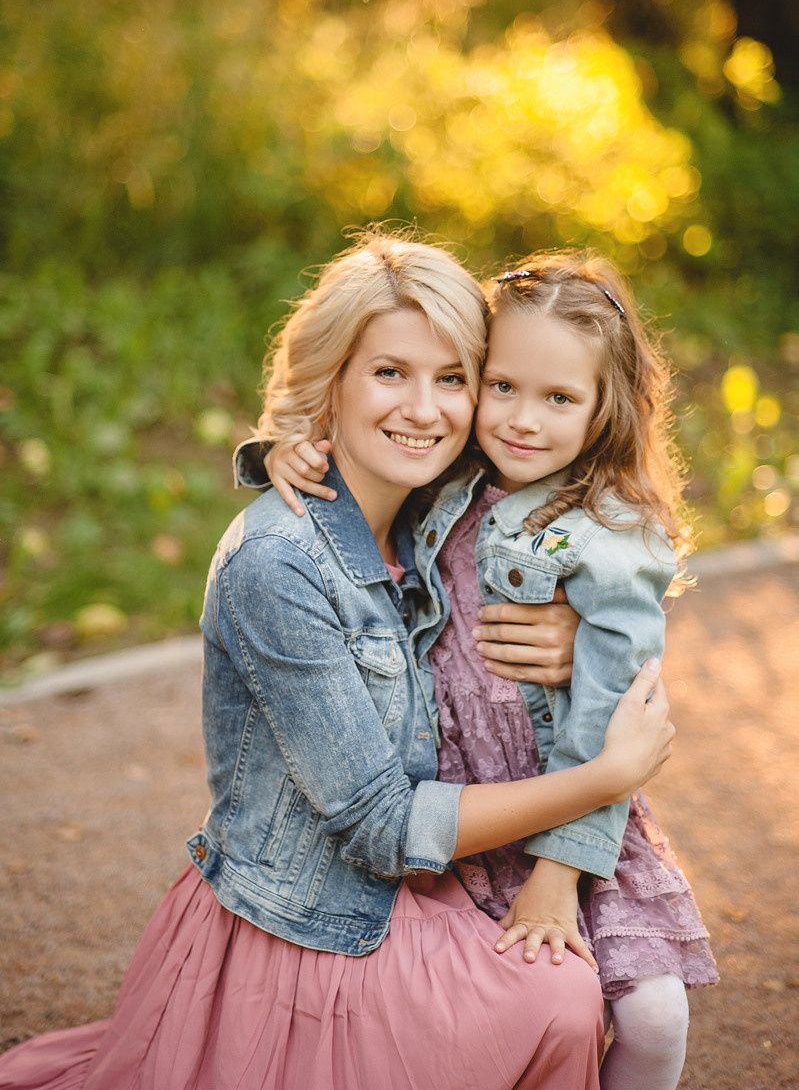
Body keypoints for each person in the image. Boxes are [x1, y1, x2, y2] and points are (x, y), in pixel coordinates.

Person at [0, 234, 675, 1090]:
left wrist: (579, 642)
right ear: (333, 380)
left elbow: (606, 577)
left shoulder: (445, 501)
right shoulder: (276, 564)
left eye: (454, 378)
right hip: (314, 915)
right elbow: (379, 827)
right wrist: (604, 774)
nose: (426, 409)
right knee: (555, 1001)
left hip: (427, 883)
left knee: (599, 991)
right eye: (389, 372)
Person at [259, 249, 718, 1090]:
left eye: (558, 399)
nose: (521, 420)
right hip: (462, 801)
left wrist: (558, 872)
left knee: (652, 1014)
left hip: (572, 809)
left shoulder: (609, 533)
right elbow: (365, 431)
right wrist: (279, 454)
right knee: (489, 1007)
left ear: (602, 409)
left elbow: (613, 709)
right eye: (500, 386)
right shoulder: (454, 473)